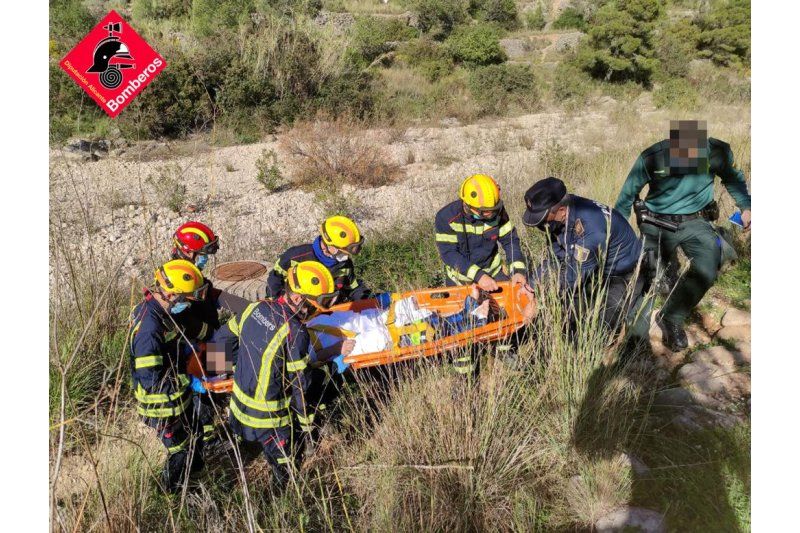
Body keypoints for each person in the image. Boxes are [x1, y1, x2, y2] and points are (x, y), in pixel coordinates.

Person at [614, 120, 752, 351]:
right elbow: (627, 195)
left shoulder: (716, 152)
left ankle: (672, 317)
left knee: (708, 268)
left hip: (695, 222)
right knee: (647, 277)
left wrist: (746, 207)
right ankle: (636, 334)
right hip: (656, 222)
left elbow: (732, 178)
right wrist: (617, 233)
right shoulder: (652, 157)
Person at [217, 261, 338, 490]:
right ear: (296, 298)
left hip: (237, 413)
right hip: (271, 422)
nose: (315, 311)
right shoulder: (296, 332)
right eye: (315, 304)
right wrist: (306, 425)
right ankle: (280, 502)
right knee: (285, 467)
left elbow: (222, 339)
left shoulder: (255, 308)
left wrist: (222, 373)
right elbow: (300, 386)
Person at [523, 177, 647, 340]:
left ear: (561, 210)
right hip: (594, 267)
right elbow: (555, 257)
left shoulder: (590, 229)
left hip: (622, 273)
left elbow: (576, 275)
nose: (543, 225)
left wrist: (540, 299)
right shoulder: (563, 216)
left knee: (600, 330)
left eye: (544, 218)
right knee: (568, 312)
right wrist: (532, 285)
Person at [128, 259, 214, 493]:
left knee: (196, 432)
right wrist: (190, 381)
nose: (187, 304)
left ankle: (196, 478)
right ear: (172, 294)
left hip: (175, 392)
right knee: (181, 448)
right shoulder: (150, 330)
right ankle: (170, 493)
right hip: (162, 406)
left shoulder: (154, 309)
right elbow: (150, 380)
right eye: (186, 299)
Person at [434, 174, 529, 373]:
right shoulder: (447, 218)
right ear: (468, 205)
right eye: (485, 212)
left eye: (492, 210)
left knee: (503, 315)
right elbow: (449, 253)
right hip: (460, 280)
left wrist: (518, 270)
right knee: (461, 326)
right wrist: (478, 276)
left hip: (493, 273)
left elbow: (510, 241)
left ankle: (503, 349)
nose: (490, 215)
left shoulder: (497, 211)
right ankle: (464, 371)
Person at [266, 216, 371, 304]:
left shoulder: (345, 265)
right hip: (296, 309)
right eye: (342, 251)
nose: (346, 256)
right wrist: (276, 303)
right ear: (328, 246)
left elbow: (353, 288)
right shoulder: (296, 256)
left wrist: (364, 299)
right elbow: (275, 278)